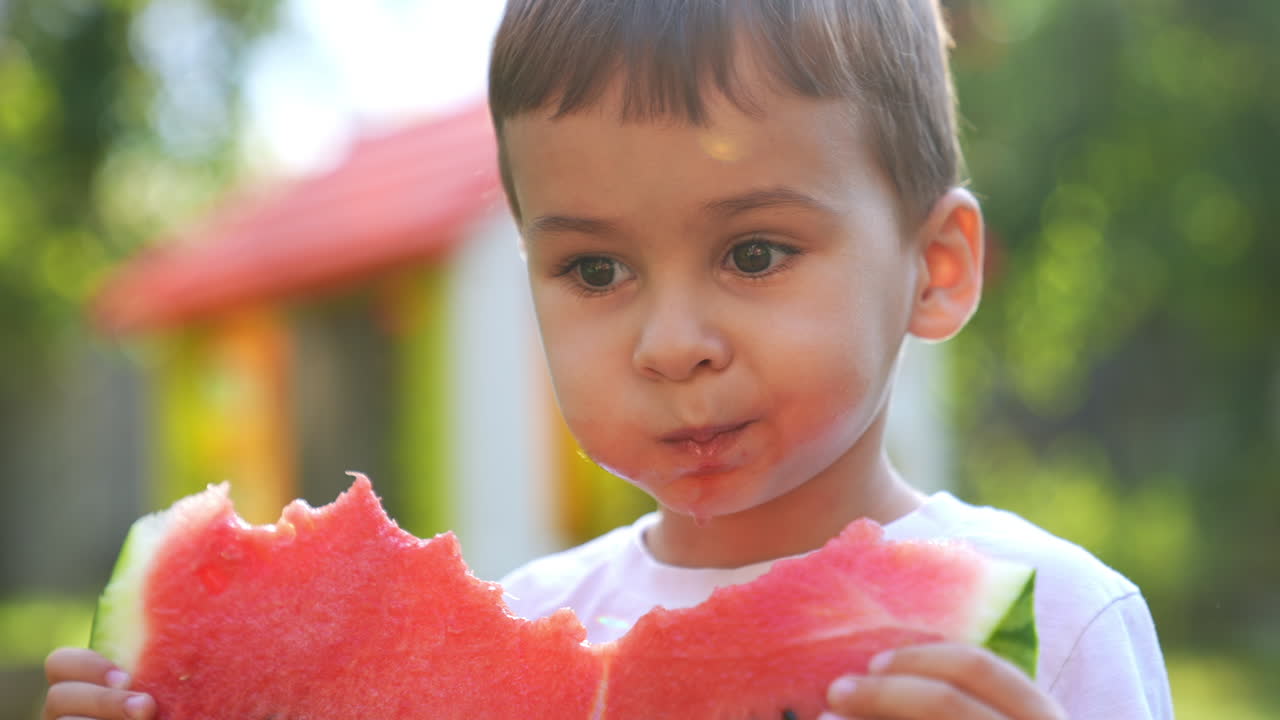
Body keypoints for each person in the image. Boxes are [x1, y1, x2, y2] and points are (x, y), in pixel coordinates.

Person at [43, 0, 1174, 718]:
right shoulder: (533, 621)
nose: (669, 344)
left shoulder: (1058, 620)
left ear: (934, 269)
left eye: (754, 251)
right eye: (594, 272)